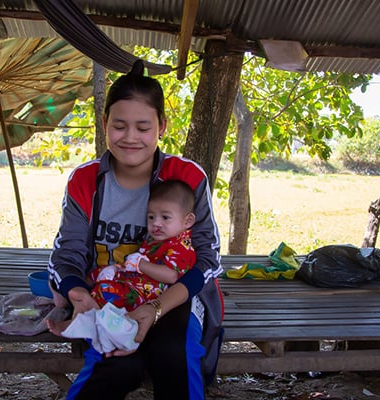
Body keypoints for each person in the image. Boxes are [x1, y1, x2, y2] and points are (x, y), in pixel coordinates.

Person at [46, 60, 224, 400]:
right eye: (119, 126)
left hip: (175, 300)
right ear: (104, 124)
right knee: (117, 365)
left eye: (143, 127)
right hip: (111, 298)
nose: (130, 138)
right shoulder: (85, 181)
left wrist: (156, 309)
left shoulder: (187, 178)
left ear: (162, 126)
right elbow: (66, 254)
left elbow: (208, 259)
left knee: (171, 354)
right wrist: (75, 292)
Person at [90, 179, 197, 312]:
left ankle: (87, 313)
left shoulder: (181, 246)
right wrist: (117, 269)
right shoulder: (156, 240)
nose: (156, 223)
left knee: (104, 292)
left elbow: (171, 276)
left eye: (165, 217)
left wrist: (140, 264)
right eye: (151, 217)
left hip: (146, 294)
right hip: (132, 280)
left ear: (188, 221)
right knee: (94, 275)